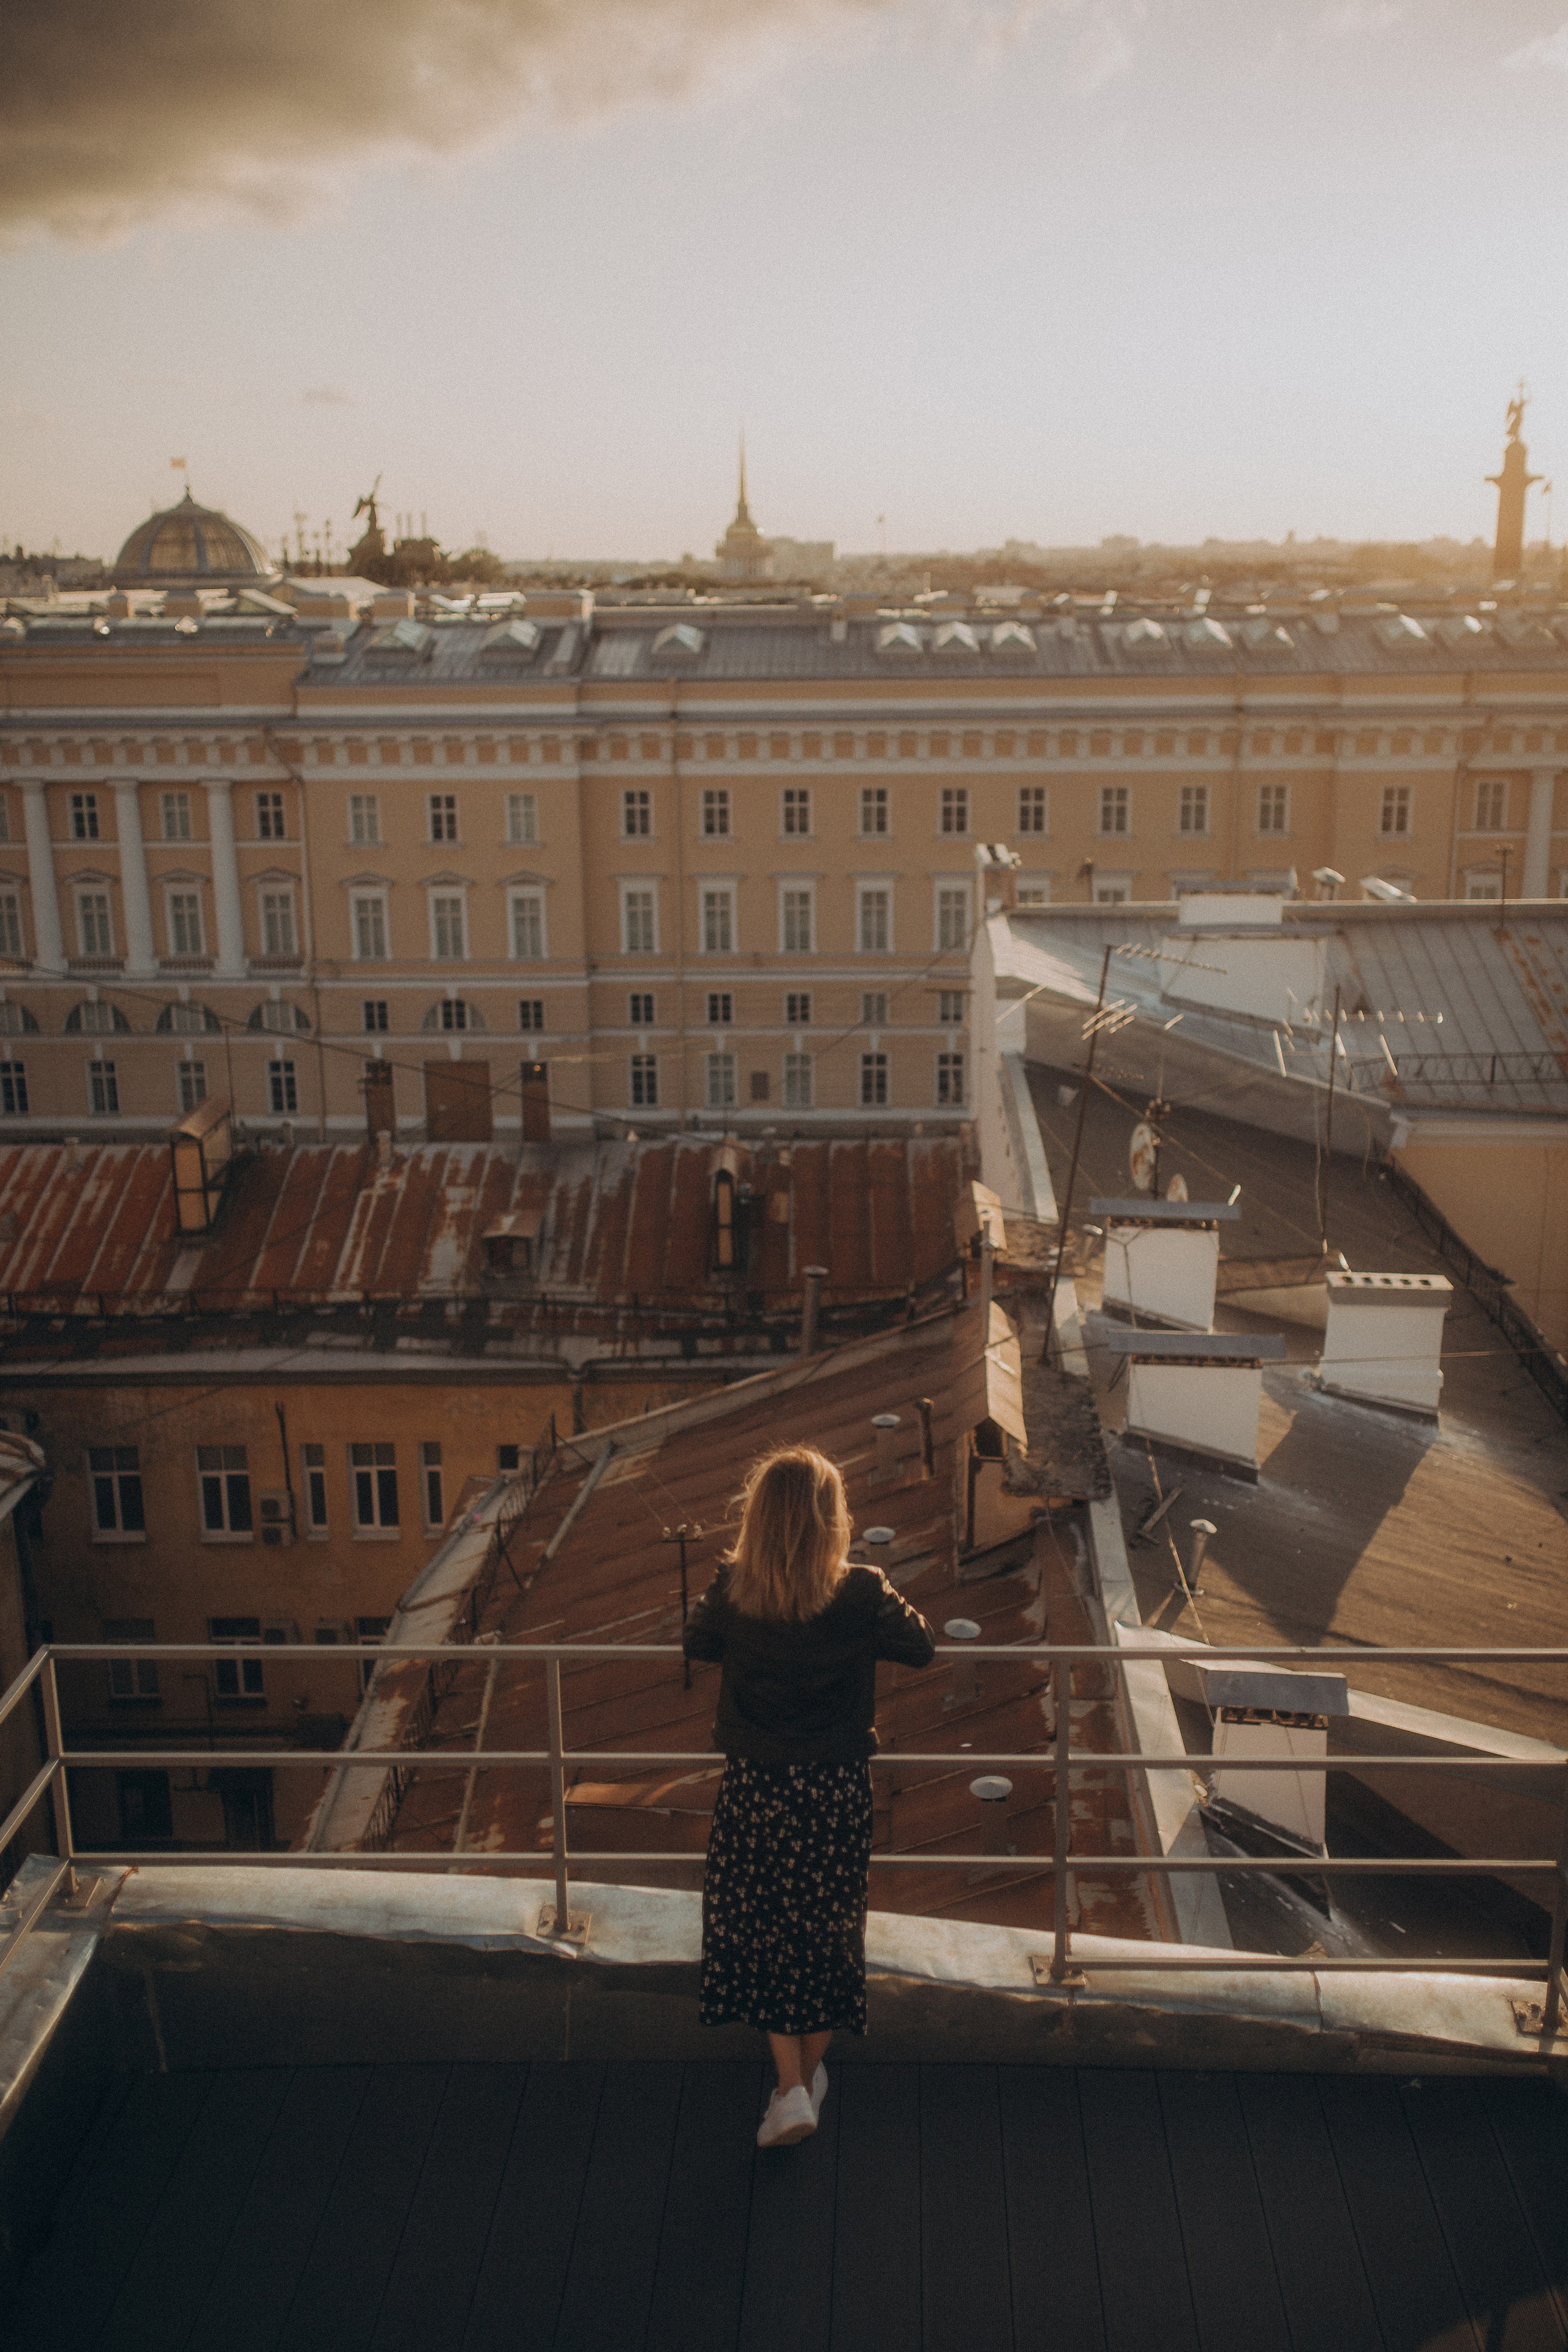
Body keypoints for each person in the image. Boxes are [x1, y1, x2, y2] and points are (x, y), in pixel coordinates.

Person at [684, 1443, 935, 2149]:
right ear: (833, 1519)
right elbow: (920, 1646)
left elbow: (696, 1641)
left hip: (757, 1790)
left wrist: (735, 1580)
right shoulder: (859, 1591)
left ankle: (792, 2088)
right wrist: (870, 1591)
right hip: (831, 1793)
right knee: (827, 1935)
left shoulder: (734, 1586)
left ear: (758, 1519)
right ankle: (801, 2085)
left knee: (763, 1930)